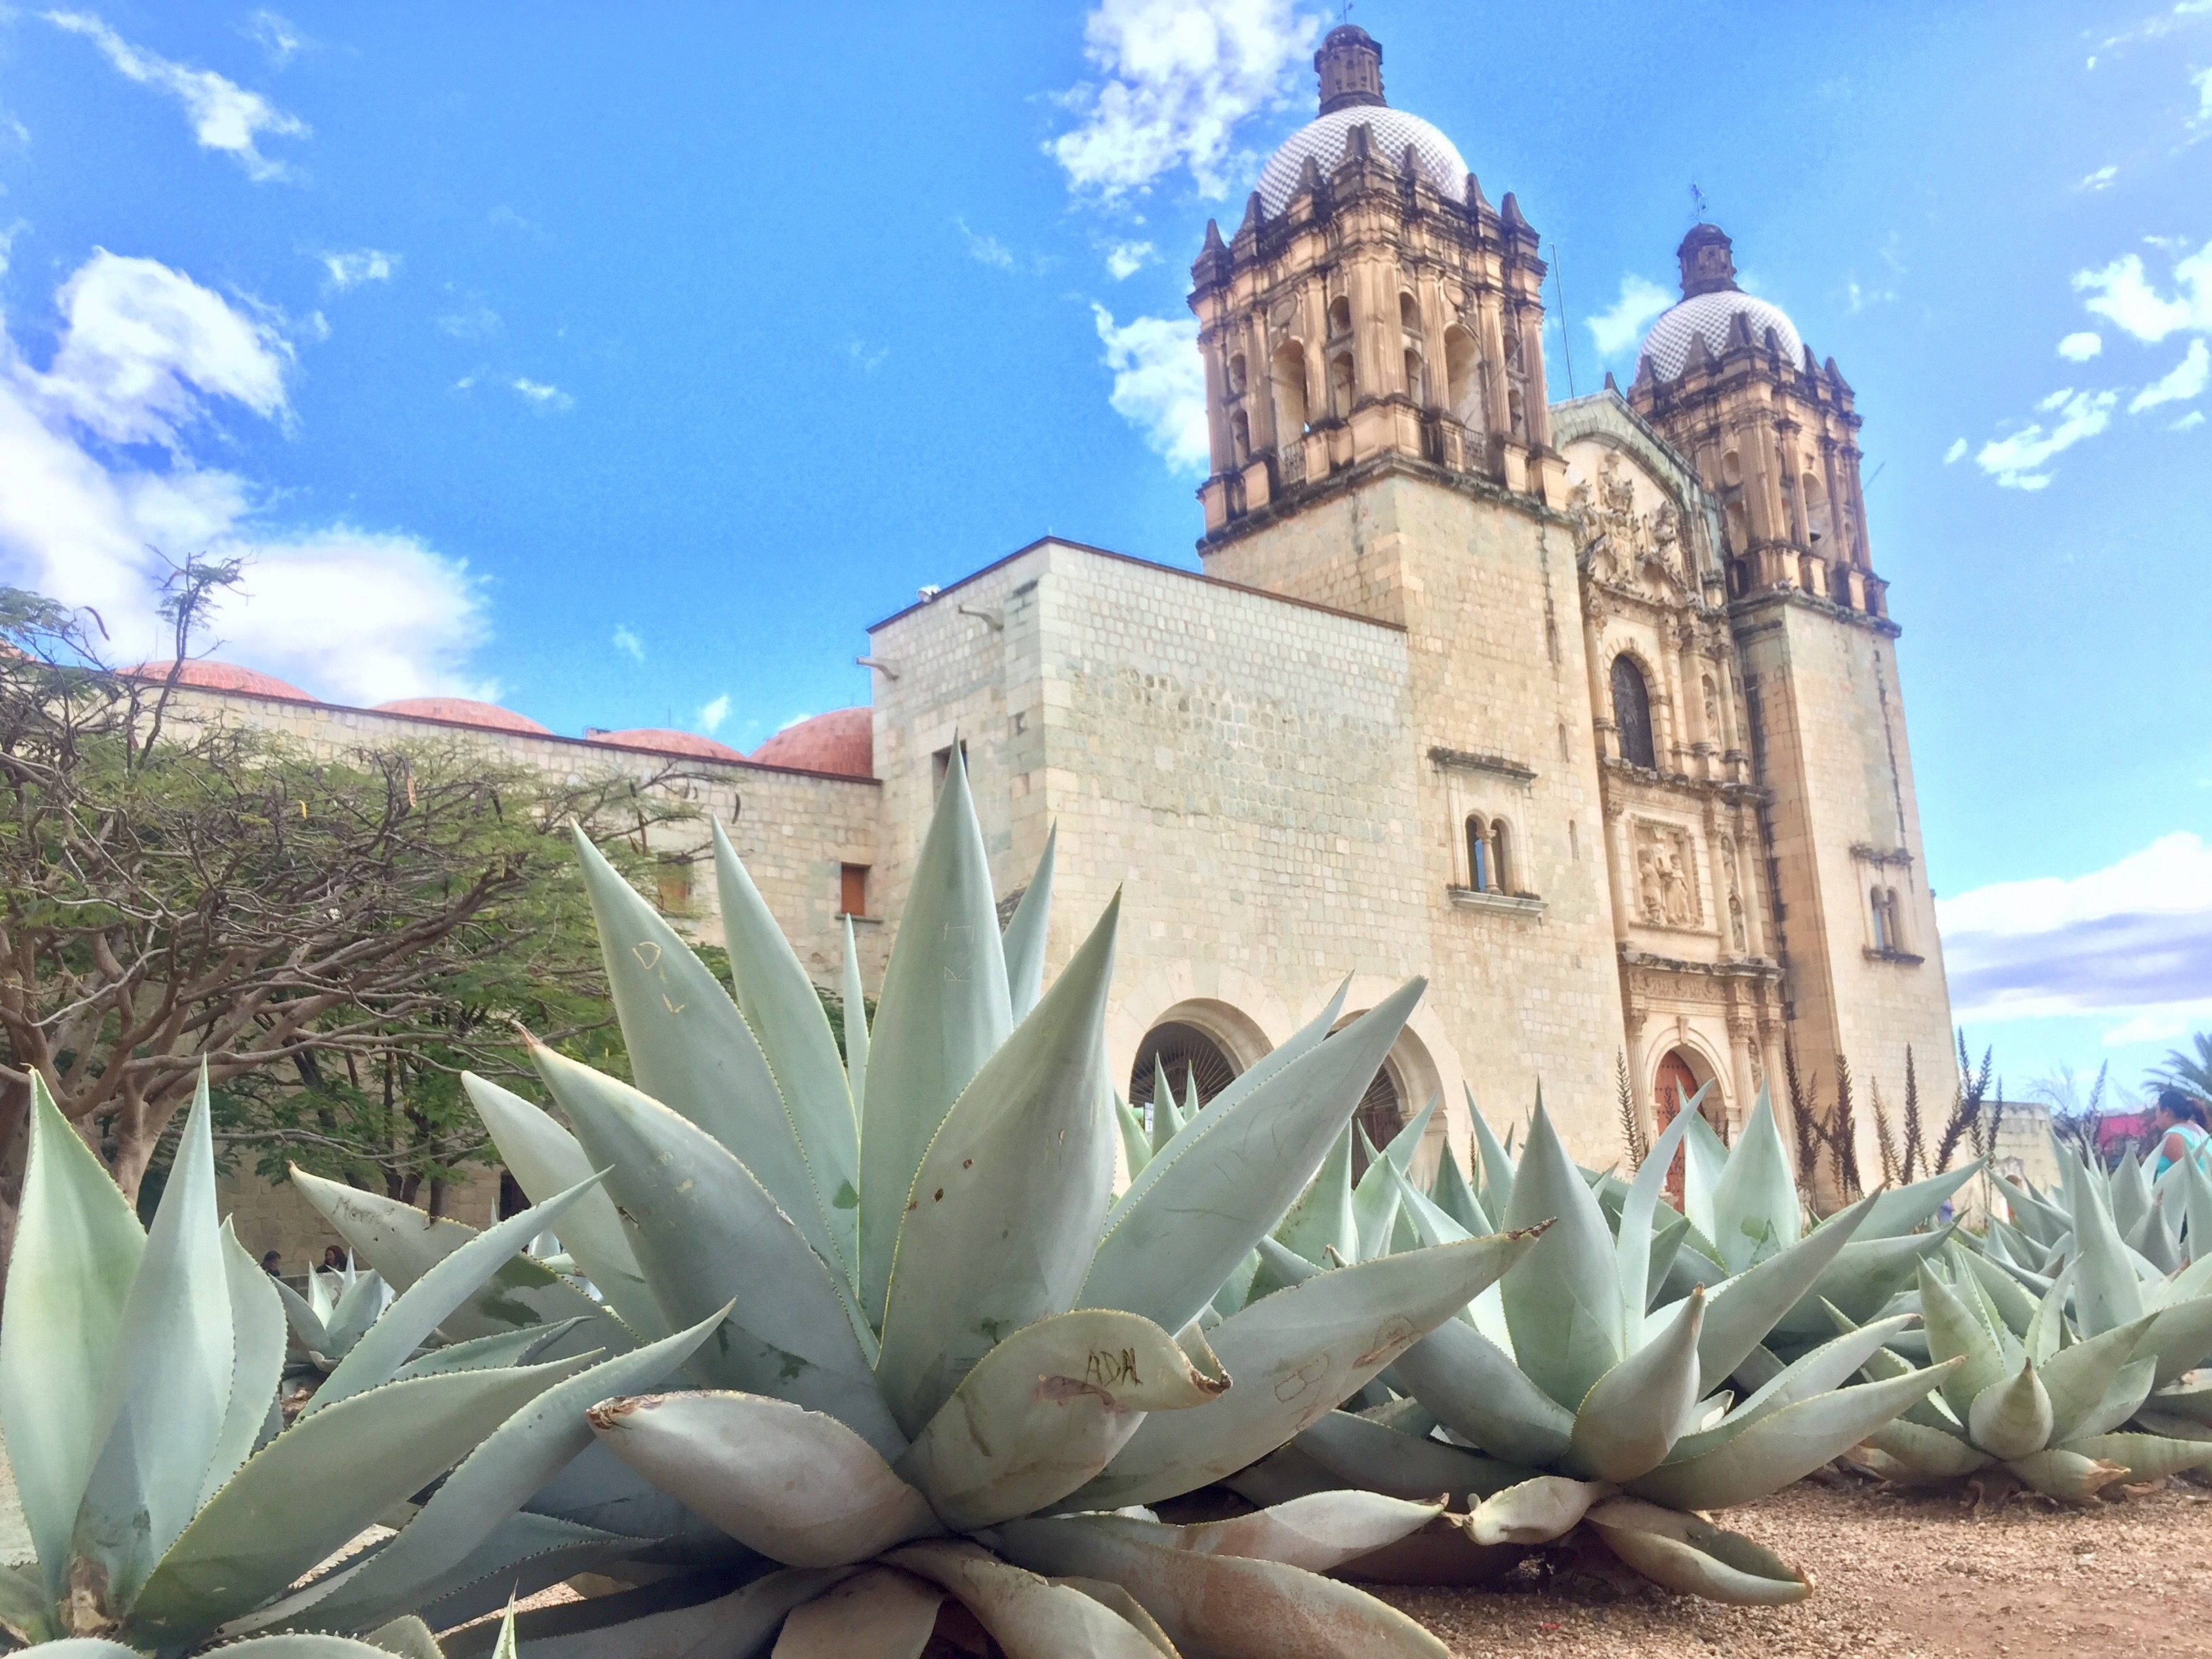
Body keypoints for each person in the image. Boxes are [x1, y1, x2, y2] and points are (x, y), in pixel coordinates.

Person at [2149, 1087, 2210, 1179]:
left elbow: (2192, 1176)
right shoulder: (2196, 1128)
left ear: (2166, 1112)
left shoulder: (2172, 1137)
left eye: (2157, 1110)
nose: (2156, 1115)